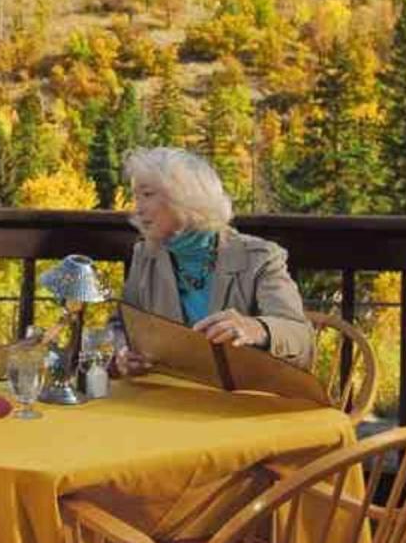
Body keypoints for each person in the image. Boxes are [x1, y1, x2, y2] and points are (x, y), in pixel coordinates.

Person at [115, 146, 314, 376]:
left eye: (147, 195)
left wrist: (257, 329)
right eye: (135, 197)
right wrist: (123, 351)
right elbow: (122, 324)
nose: (137, 209)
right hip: (172, 399)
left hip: (246, 402)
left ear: (185, 197)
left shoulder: (260, 258)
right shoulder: (146, 255)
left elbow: (302, 341)